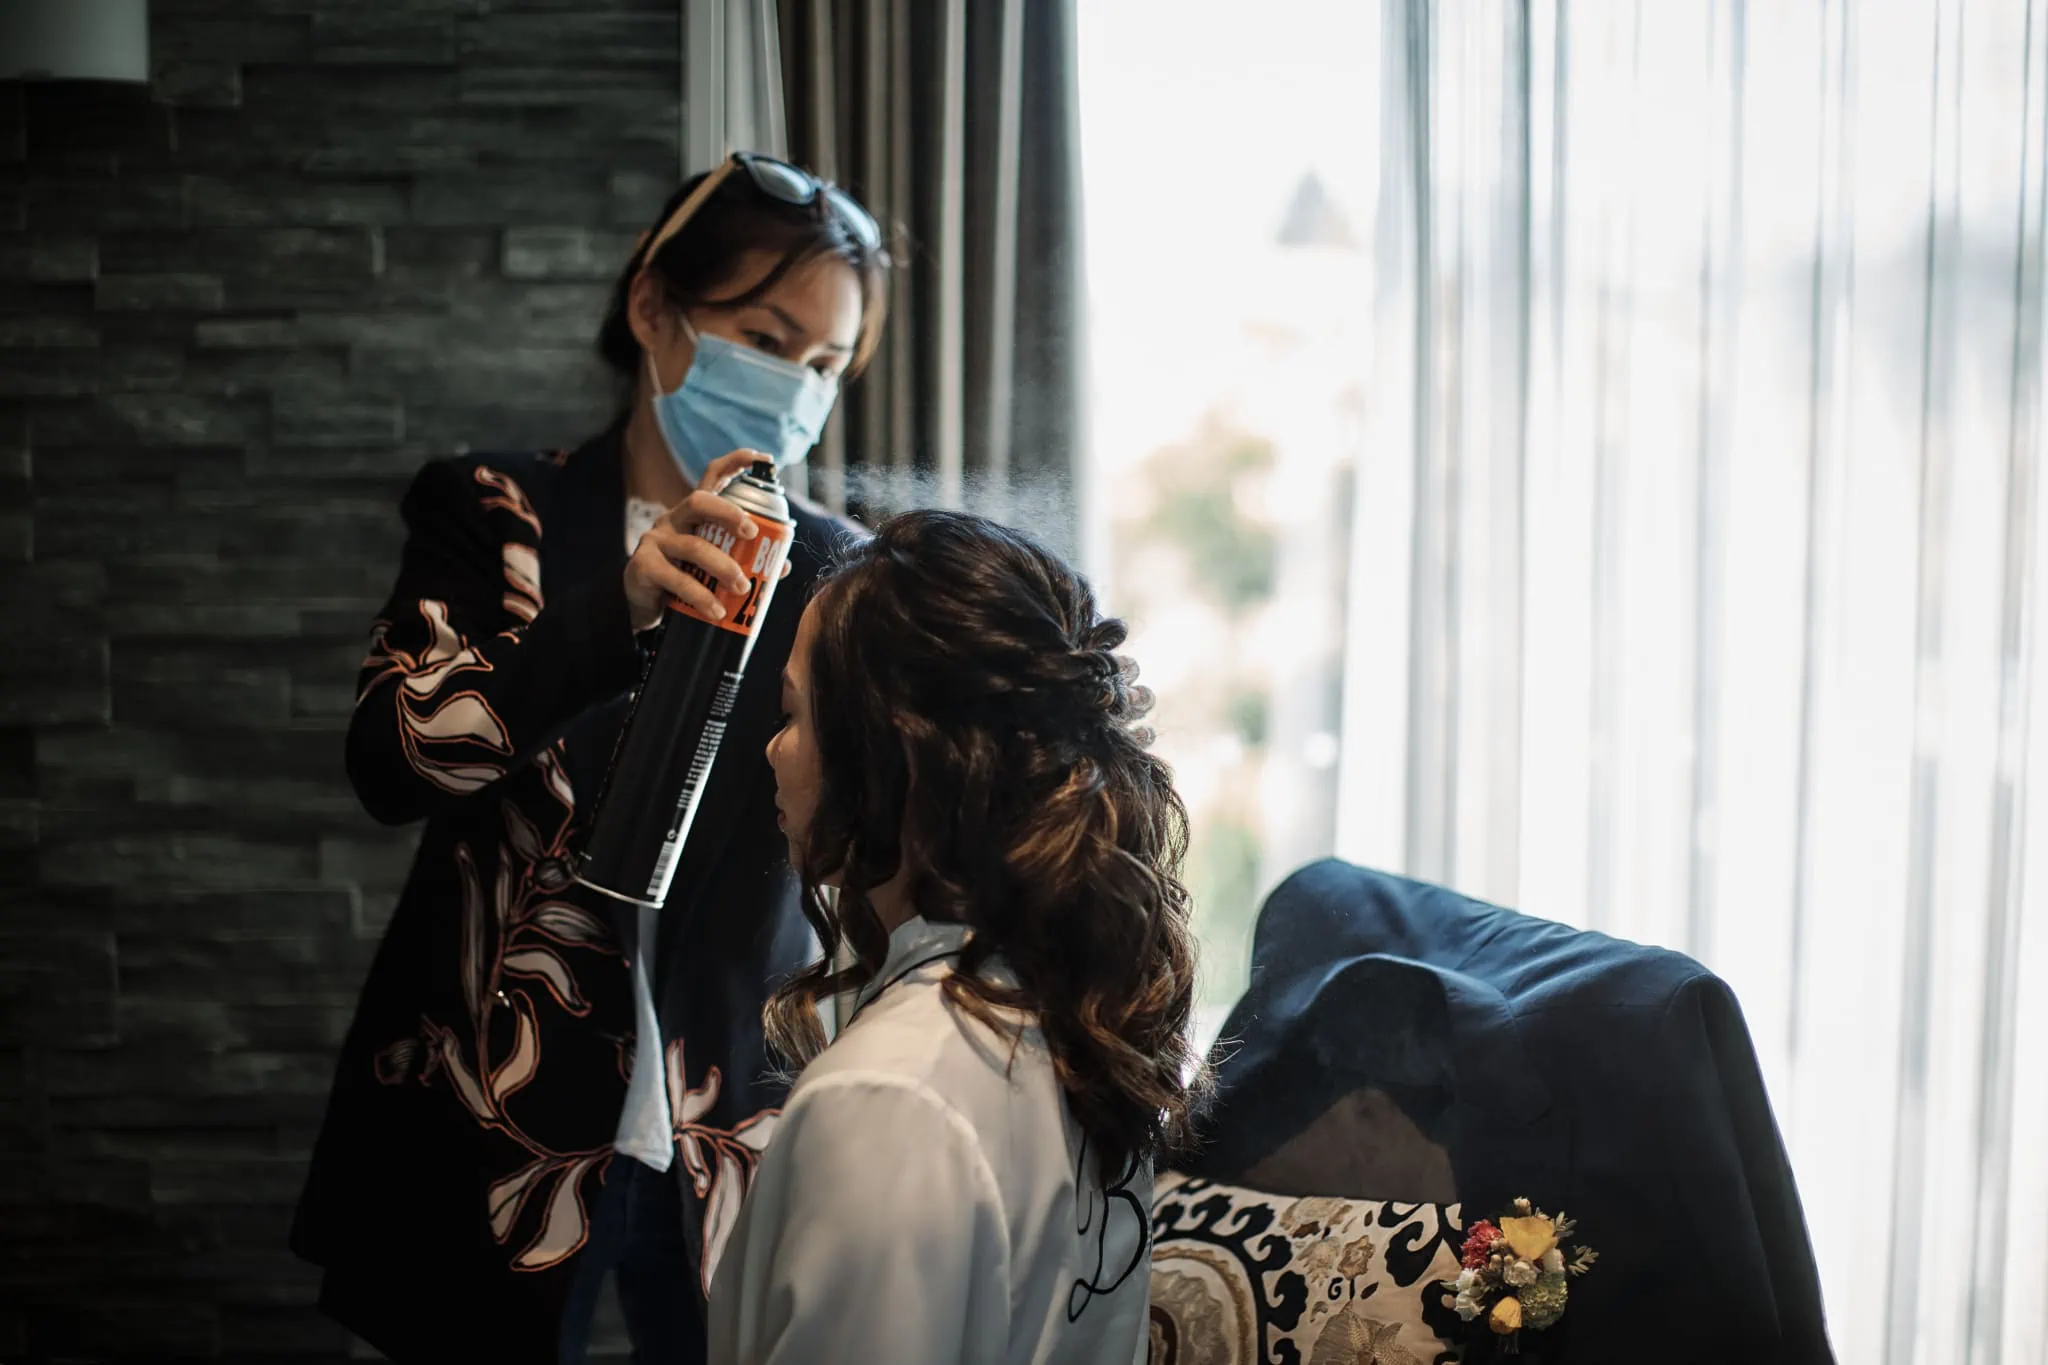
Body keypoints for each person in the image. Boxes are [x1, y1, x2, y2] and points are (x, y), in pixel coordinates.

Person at [291, 153, 890, 1365]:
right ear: (653, 310)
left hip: (731, 1133)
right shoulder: (496, 512)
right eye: (766, 339)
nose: (794, 389)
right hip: (483, 1125)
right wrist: (610, 614)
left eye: (825, 367)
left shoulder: (834, 574)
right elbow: (388, 761)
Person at [708, 510, 1210, 1365]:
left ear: (893, 752)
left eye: (792, 711)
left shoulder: (885, 1098)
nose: (772, 750)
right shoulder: (1076, 1027)